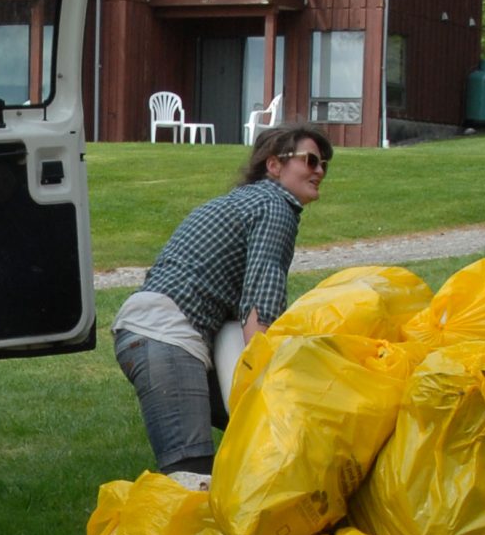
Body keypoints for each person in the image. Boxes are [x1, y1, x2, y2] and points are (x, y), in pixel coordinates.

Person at [113, 125, 331, 478]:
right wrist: (270, 380)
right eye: (310, 160)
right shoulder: (276, 205)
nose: (319, 171)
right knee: (191, 475)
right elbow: (261, 301)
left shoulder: (244, 202)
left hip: (152, 332)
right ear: (274, 166)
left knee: (252, 436)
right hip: (167, 337)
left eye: (324, 164)